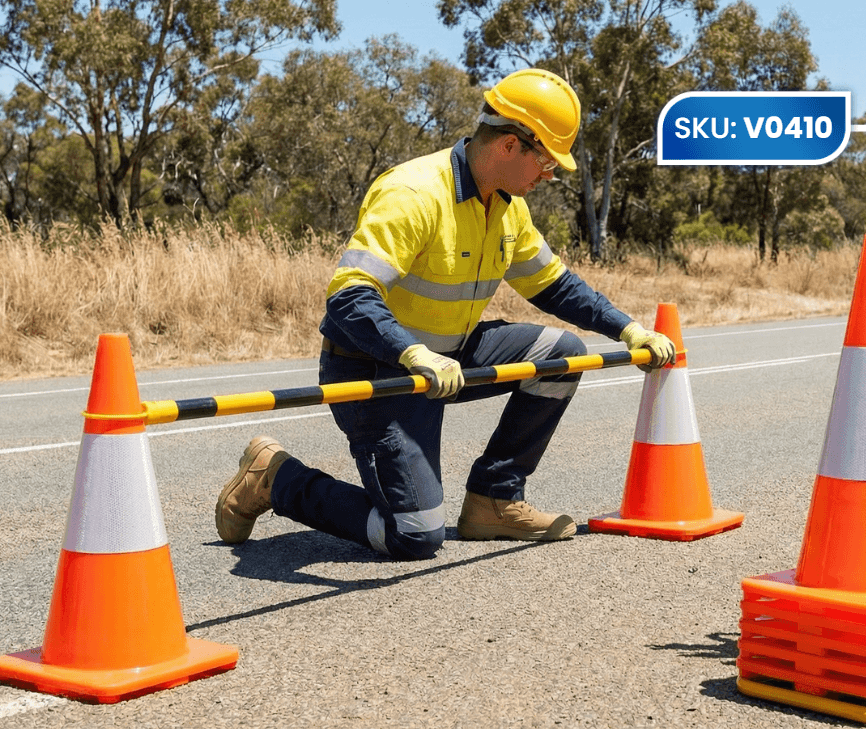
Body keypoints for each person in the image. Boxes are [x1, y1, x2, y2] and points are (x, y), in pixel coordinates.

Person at [214, 68, 675, 560]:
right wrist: (413, 354)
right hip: (378, 369)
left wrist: (627, 328)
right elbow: (349, 296)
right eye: (545, 160)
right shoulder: (414, 193)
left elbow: (553, 284)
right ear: (509, 146)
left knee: (562, 355)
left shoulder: (506, 205)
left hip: (447, 358)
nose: (549, 174)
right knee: (413, 535)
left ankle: (493, 500)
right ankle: (274, 476)